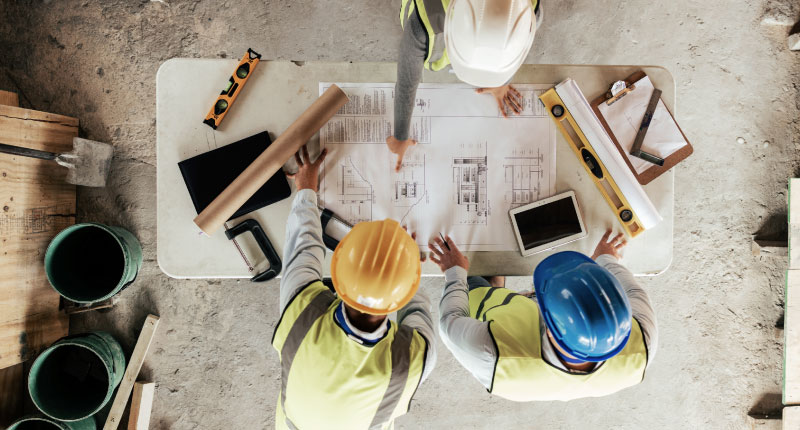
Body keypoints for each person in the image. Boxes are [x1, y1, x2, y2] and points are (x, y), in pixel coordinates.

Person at [272, 145, 436, 429]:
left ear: (338, 273)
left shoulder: (301, 312)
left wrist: (306, 187)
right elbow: (416, 305)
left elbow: (304, 242)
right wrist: (406, 261)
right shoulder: (411, 361)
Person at [429, 230, 657, 401]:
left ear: (547, 324)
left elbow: (450, 320)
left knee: (476, 285)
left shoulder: (492, 353)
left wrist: (455, 271)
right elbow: (635, 292)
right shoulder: (644, 341)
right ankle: (497, 286)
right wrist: (605, 259)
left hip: (499, 324)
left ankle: (493, 289)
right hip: (526, 326)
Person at [388, 0, 542, 171]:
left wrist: (501, 82)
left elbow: (516, 48)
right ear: (449, 31)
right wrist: (400, 136)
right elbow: (406, 83)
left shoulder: (527, 14)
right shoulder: (424, 20)